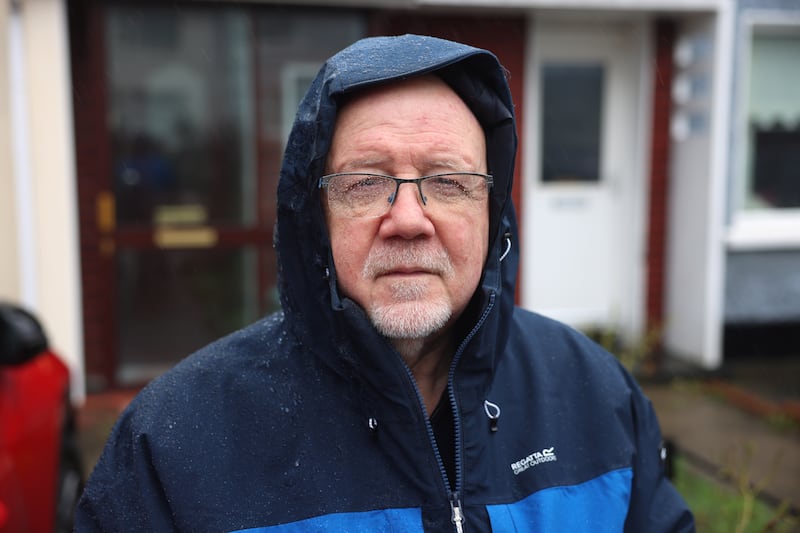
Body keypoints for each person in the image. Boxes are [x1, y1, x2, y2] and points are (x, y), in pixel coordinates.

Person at [76, 34, 694, 532]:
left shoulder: (594, 396)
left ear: (491, 215)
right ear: (316, 217)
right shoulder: (175, 443)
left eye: (447, 182)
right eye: (365, 182)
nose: (407, 221)